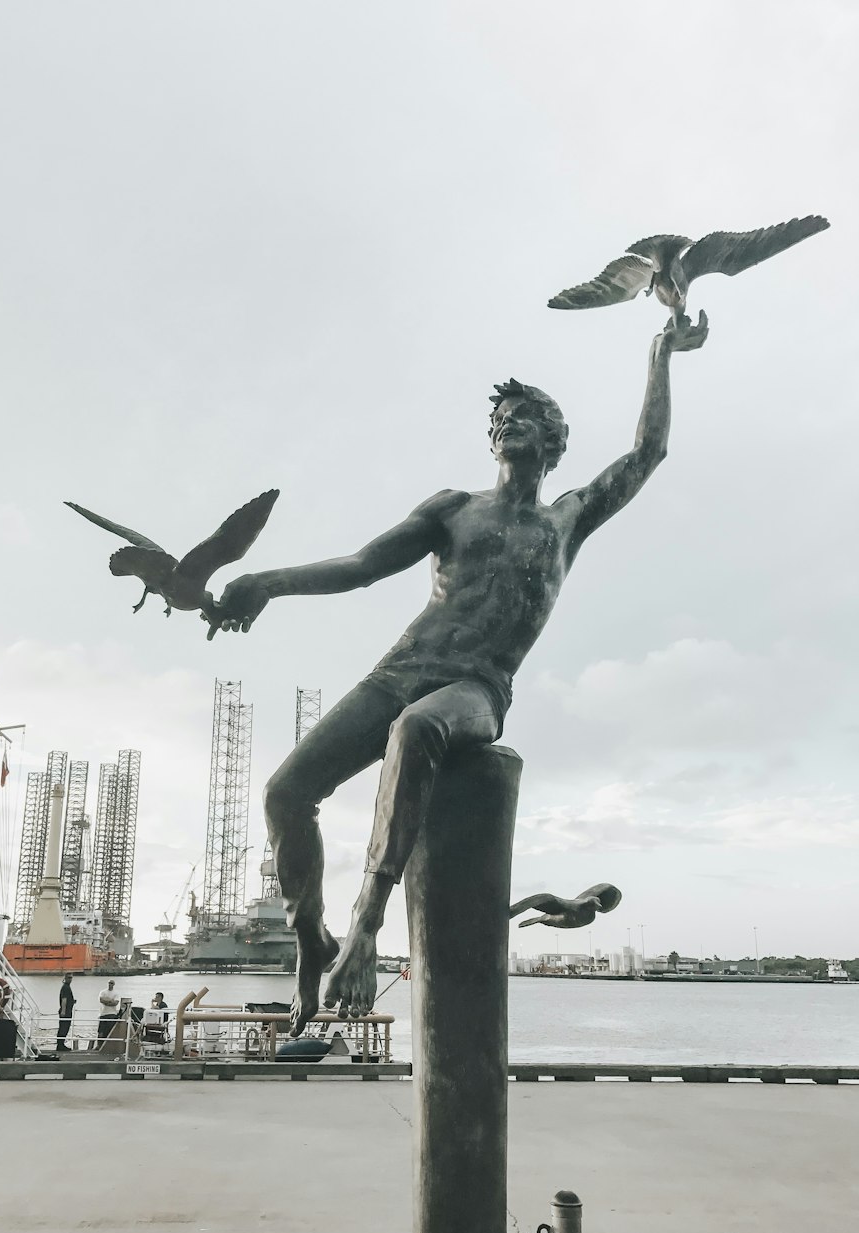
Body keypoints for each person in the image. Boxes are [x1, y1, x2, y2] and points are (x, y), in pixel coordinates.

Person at [208, 314, 709, 1034]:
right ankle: (310, 941)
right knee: (286, 792)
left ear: (553, 441)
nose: (510, 423)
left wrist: (662, 350)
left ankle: (365, 922)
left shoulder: (565, 521)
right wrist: (265, 580)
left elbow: (647, 451)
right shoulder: (451, 509)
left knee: (419, 728)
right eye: (502, 417)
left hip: (476, 690)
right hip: (399, 669)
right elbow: (359, 567)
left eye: (527, 416)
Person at [56, 975, 76, 1051]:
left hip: (68, 1010)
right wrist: (63, 1010)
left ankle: (61, 1044)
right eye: (68, 978)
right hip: (66, 1011)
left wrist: (72, 1001)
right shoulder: (65, 987)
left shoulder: (67, 987)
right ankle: (60, 1045)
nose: (70, 979)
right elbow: (64, 999)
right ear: (65, 978)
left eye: (71, 978)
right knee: (63, 1028)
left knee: (64, 1028)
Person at [97, 979, 119, 1044]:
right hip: (103, 1014)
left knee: (109, 1030)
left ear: (114, 984)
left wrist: (107, 1001)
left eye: (111, 983)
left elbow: (115, 1003)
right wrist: (110, 1000)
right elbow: (101, 1000)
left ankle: (108, 1045)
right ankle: (99, 1044)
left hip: (112, 1014)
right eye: (109, 983)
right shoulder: (103, 992)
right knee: (101, 1031)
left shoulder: (116, 993)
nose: (110, 984)